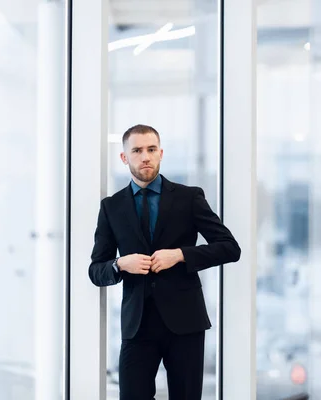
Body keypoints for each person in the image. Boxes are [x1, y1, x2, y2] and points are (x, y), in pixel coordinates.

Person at [88, 124, 240, 400]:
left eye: (151, 149)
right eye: (137, 150)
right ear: (124, 158)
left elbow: (230, 248)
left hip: (185, 323)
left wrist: (180, 255)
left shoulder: (189, 197)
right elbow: (96, 269)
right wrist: (121, 264)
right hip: (137, 326)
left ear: (160, 153)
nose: (145, 156)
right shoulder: (112, 207)